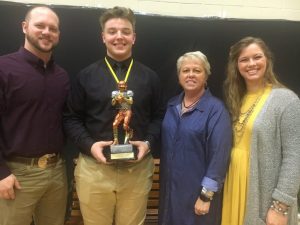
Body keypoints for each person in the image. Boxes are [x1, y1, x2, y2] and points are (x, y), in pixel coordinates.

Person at [63, 6, 164, 225]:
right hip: (94, 169)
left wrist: (148, 143)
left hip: (136, 171)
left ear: (134, 37)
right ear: (103, 37)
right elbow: (71, 118)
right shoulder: (86, 76)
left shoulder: (150, 77)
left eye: (125, 31)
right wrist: (90, 146)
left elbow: (159, 117)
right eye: (112, 31)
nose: (119, 36)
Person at [0, 5, 69, 225]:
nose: (47, 32)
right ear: (24, 27)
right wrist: (1, 173)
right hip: (16, 174)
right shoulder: (4, 69)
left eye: (53, 28)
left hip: (56, 172)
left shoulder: (62, 76)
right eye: (40, 25)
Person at [221, 37, 300, 225]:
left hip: (261, 192)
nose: (251, 64)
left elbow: (295, 156)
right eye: (244, 59)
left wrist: (280, 205)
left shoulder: (286, 100)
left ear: (267, 60)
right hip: (234, 184)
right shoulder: (236, 99)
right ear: (236, 65)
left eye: (257, 57)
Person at [158, 51, 232, 225]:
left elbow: (219, 156)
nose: (190, 74)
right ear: (178, 76)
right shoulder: (171, 105)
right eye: (185, 70)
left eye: (197, 70)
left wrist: (206, 196)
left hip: (197, 196)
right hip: (170, 193)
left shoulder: (216, 110)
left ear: (206, 76)